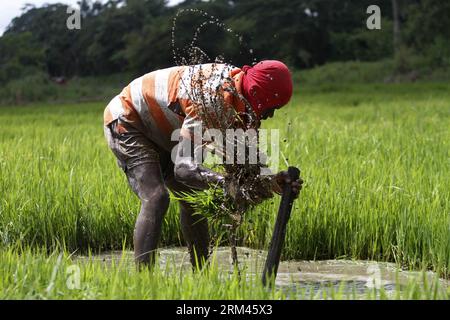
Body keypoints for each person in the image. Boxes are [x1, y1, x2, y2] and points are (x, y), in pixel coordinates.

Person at [103, 60, 303, 268]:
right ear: (255, 93)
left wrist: (274, 183)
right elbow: (183, 169)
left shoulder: (245, 109)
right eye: (271, 108)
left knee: (194, 196)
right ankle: (143, 283)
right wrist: (229, 186)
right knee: (156, 197)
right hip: (129, 119)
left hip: (167, 129)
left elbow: (247, 178)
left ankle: (202, 275)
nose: (270, 115)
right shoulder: (212, 96)